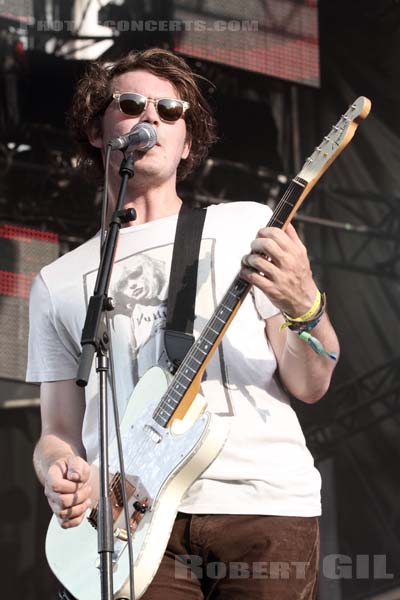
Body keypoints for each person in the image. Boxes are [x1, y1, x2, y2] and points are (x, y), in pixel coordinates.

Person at [26, 47, 339, 599]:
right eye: (130, 103)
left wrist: (305, 306)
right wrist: (61, 470)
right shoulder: (58, 280)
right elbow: (57, 432)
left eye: (171, 111)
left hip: (261, 504)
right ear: (97, 131)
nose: (152, 117)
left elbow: (312, 383)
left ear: (187, 142)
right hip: (132, 523)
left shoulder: (245, 225)